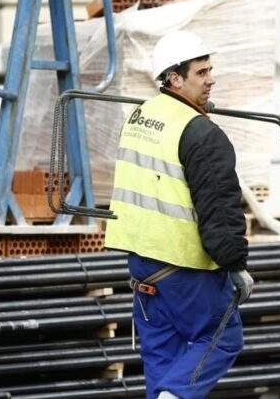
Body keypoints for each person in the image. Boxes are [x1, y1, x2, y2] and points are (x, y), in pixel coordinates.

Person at [104, 30, 254, 399]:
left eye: (210, 70)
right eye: (201, 72)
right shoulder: (202, 134)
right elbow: (219, 209)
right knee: (222, 338)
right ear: (175, 78)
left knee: (163, 355)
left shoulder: (141, 115)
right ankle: (175, 395)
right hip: (184, 267)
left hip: (142, 264)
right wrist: (235, 264)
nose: (211, 79)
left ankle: (166, 394)